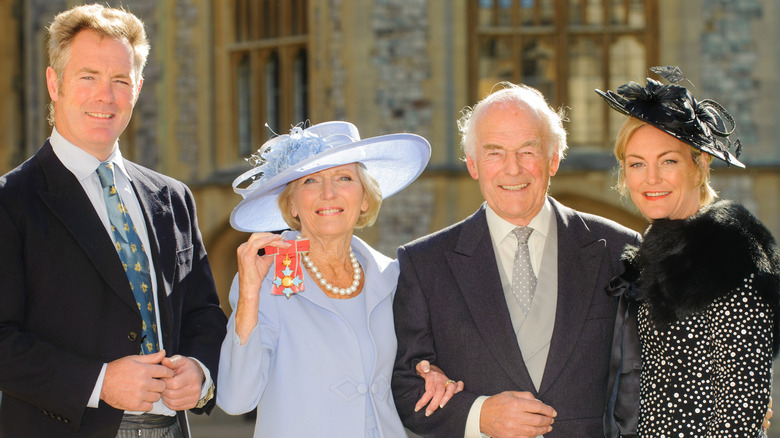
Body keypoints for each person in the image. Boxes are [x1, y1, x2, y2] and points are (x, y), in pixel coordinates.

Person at [0, 4, 227, 437]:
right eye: (88, 77)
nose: (105, 95)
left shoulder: (173, 197)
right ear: (55, 82)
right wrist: (100, 382)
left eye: (120, 80)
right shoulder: (10, 202)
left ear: (137, 88)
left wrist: (199, 371)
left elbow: (203, 313)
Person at [392, 82, 642, 438]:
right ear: (473, 164)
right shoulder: (423, 264)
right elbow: (405, 385)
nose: (513, 169)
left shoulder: (620, 250)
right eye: (494, 153)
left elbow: (645, 375)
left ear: (553, 158)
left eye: (528, 151)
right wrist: (479, 415)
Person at [217, 121, 463, 437]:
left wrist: (431, 373)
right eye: (310, 181)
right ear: (291, 203)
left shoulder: (394, 277)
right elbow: (237, 399)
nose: (328, 193)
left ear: (364, 198)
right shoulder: (265, 280)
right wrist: (249, 295)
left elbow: (410, 368)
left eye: (344, 178)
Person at [597, 66, 780, 437]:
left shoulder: (727, 252)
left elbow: (741, 404)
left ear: (700, 166)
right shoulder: (664, 249)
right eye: (637, 164)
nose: (651, 178)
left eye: (668, 161)